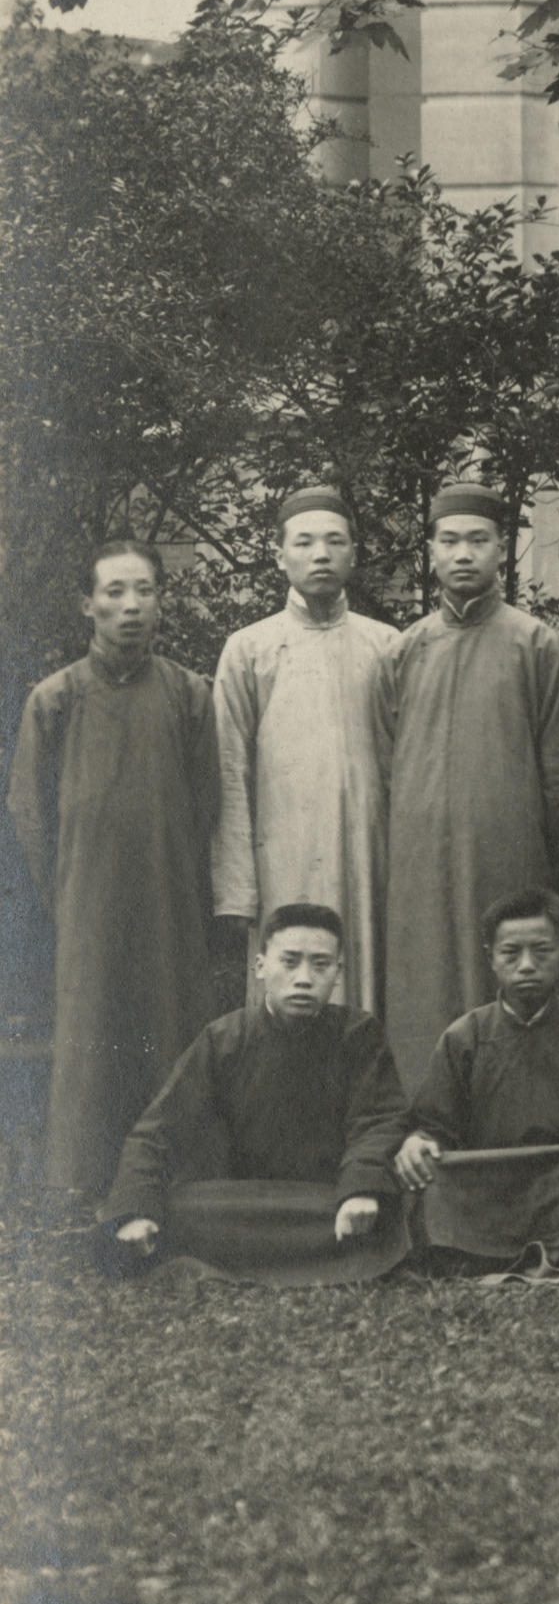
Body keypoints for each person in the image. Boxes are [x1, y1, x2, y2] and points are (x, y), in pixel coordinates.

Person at [17, 540, 224, 1211]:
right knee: (89, 1025)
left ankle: (176, 1171)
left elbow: (206, 803)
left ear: (162, 598)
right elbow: (31, 812)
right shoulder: (55, 699)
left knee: (170, 1021)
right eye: (114, 592)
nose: (130, 606)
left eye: (144, 590)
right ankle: (80, 1176)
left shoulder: (190, 694)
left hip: (168, 894)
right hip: (85, 897)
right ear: (88, 604)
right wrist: (65, 894)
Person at [103, 905, 407, 1284]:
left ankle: (241, 1264)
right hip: (243, 1206)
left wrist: (360, 1189)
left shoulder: (360, 1034)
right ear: (261, 966)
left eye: (321, 965)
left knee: (389, 1209)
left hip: (327, 1201)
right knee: (176, 1210)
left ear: (337, 974)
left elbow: (377, 1122)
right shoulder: (223, 1039)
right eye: (290, 962)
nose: (304, 979)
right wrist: (136, 1209)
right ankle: (321, 1262)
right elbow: (159, 1129)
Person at [395, 890, 559, 1271]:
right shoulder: (465, 1035)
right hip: (491, 1180)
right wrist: (419, 1143)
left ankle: (511, 1257)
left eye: (542, 951)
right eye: (511, 953)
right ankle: (487, 1255)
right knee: (431, 1178)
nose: (526, 965)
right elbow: (434, 1126)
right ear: (490, 959)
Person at [213, 486, 397, 1007]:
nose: (320, 554)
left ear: (354, 553)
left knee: (362, 993)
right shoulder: (249, 649)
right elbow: (229, 771)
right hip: (282, 859)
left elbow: (402, 768)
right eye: (304, 542)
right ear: (278, 555)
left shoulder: (385, 646)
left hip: (365, 856)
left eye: (335, 542)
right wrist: (238, 890)